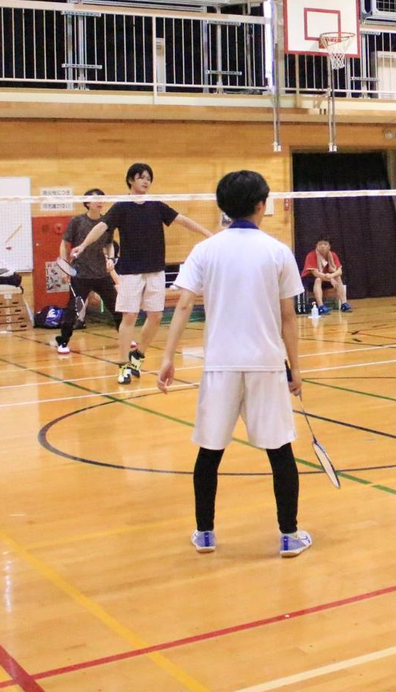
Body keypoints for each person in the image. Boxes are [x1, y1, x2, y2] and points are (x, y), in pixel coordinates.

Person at [158, 171, 310, 558]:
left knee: (209, 452)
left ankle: (205, 533)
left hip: (220, 366)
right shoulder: (277, 251)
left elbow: (184, 305)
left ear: (223, 206)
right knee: (280, 451)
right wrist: (295, 368)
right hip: (266, 364)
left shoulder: (205, 250)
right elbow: (288, 317)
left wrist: (168, 356)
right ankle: (289, 535)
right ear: (261, 205)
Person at [71, 163, 212, 384]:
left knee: (155, 317)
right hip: (130, 272)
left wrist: (207, 233)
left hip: (155, 270)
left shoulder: (156, 205)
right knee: (129, 316)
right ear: (130, 180)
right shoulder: (121, 207)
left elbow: (182, 220)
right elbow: (101, 227)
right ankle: (123, 366)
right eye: (141, 177)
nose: (145, 181)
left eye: (148, 178)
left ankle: (138, 356)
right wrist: (83, 245)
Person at [55, 189, 120, 355]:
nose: (100, 201)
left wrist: (111, 258)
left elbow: (109, 244)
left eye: (102, 199)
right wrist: (64, 267)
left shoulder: (106, 223)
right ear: (87, 203)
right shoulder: (77, 221)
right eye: (96, 199)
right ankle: (63, 341)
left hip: (101, 274)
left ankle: (125, 336)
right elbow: (64, 243)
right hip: (81, 275)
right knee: (73, 309)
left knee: (116, 306)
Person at [302, 238, 351, 315]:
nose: (322, 246)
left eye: (325, 244)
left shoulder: (333, 255)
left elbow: (339, 271)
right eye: (320, 244)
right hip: (311, 280)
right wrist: (330, 279)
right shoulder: (311, 255)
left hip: (327, 278)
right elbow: (316, 274)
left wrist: (331, 276)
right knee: (318, 279)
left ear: (329, 246)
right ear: (316, 246)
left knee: (338, 277)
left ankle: (344, 304)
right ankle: (321, 307)